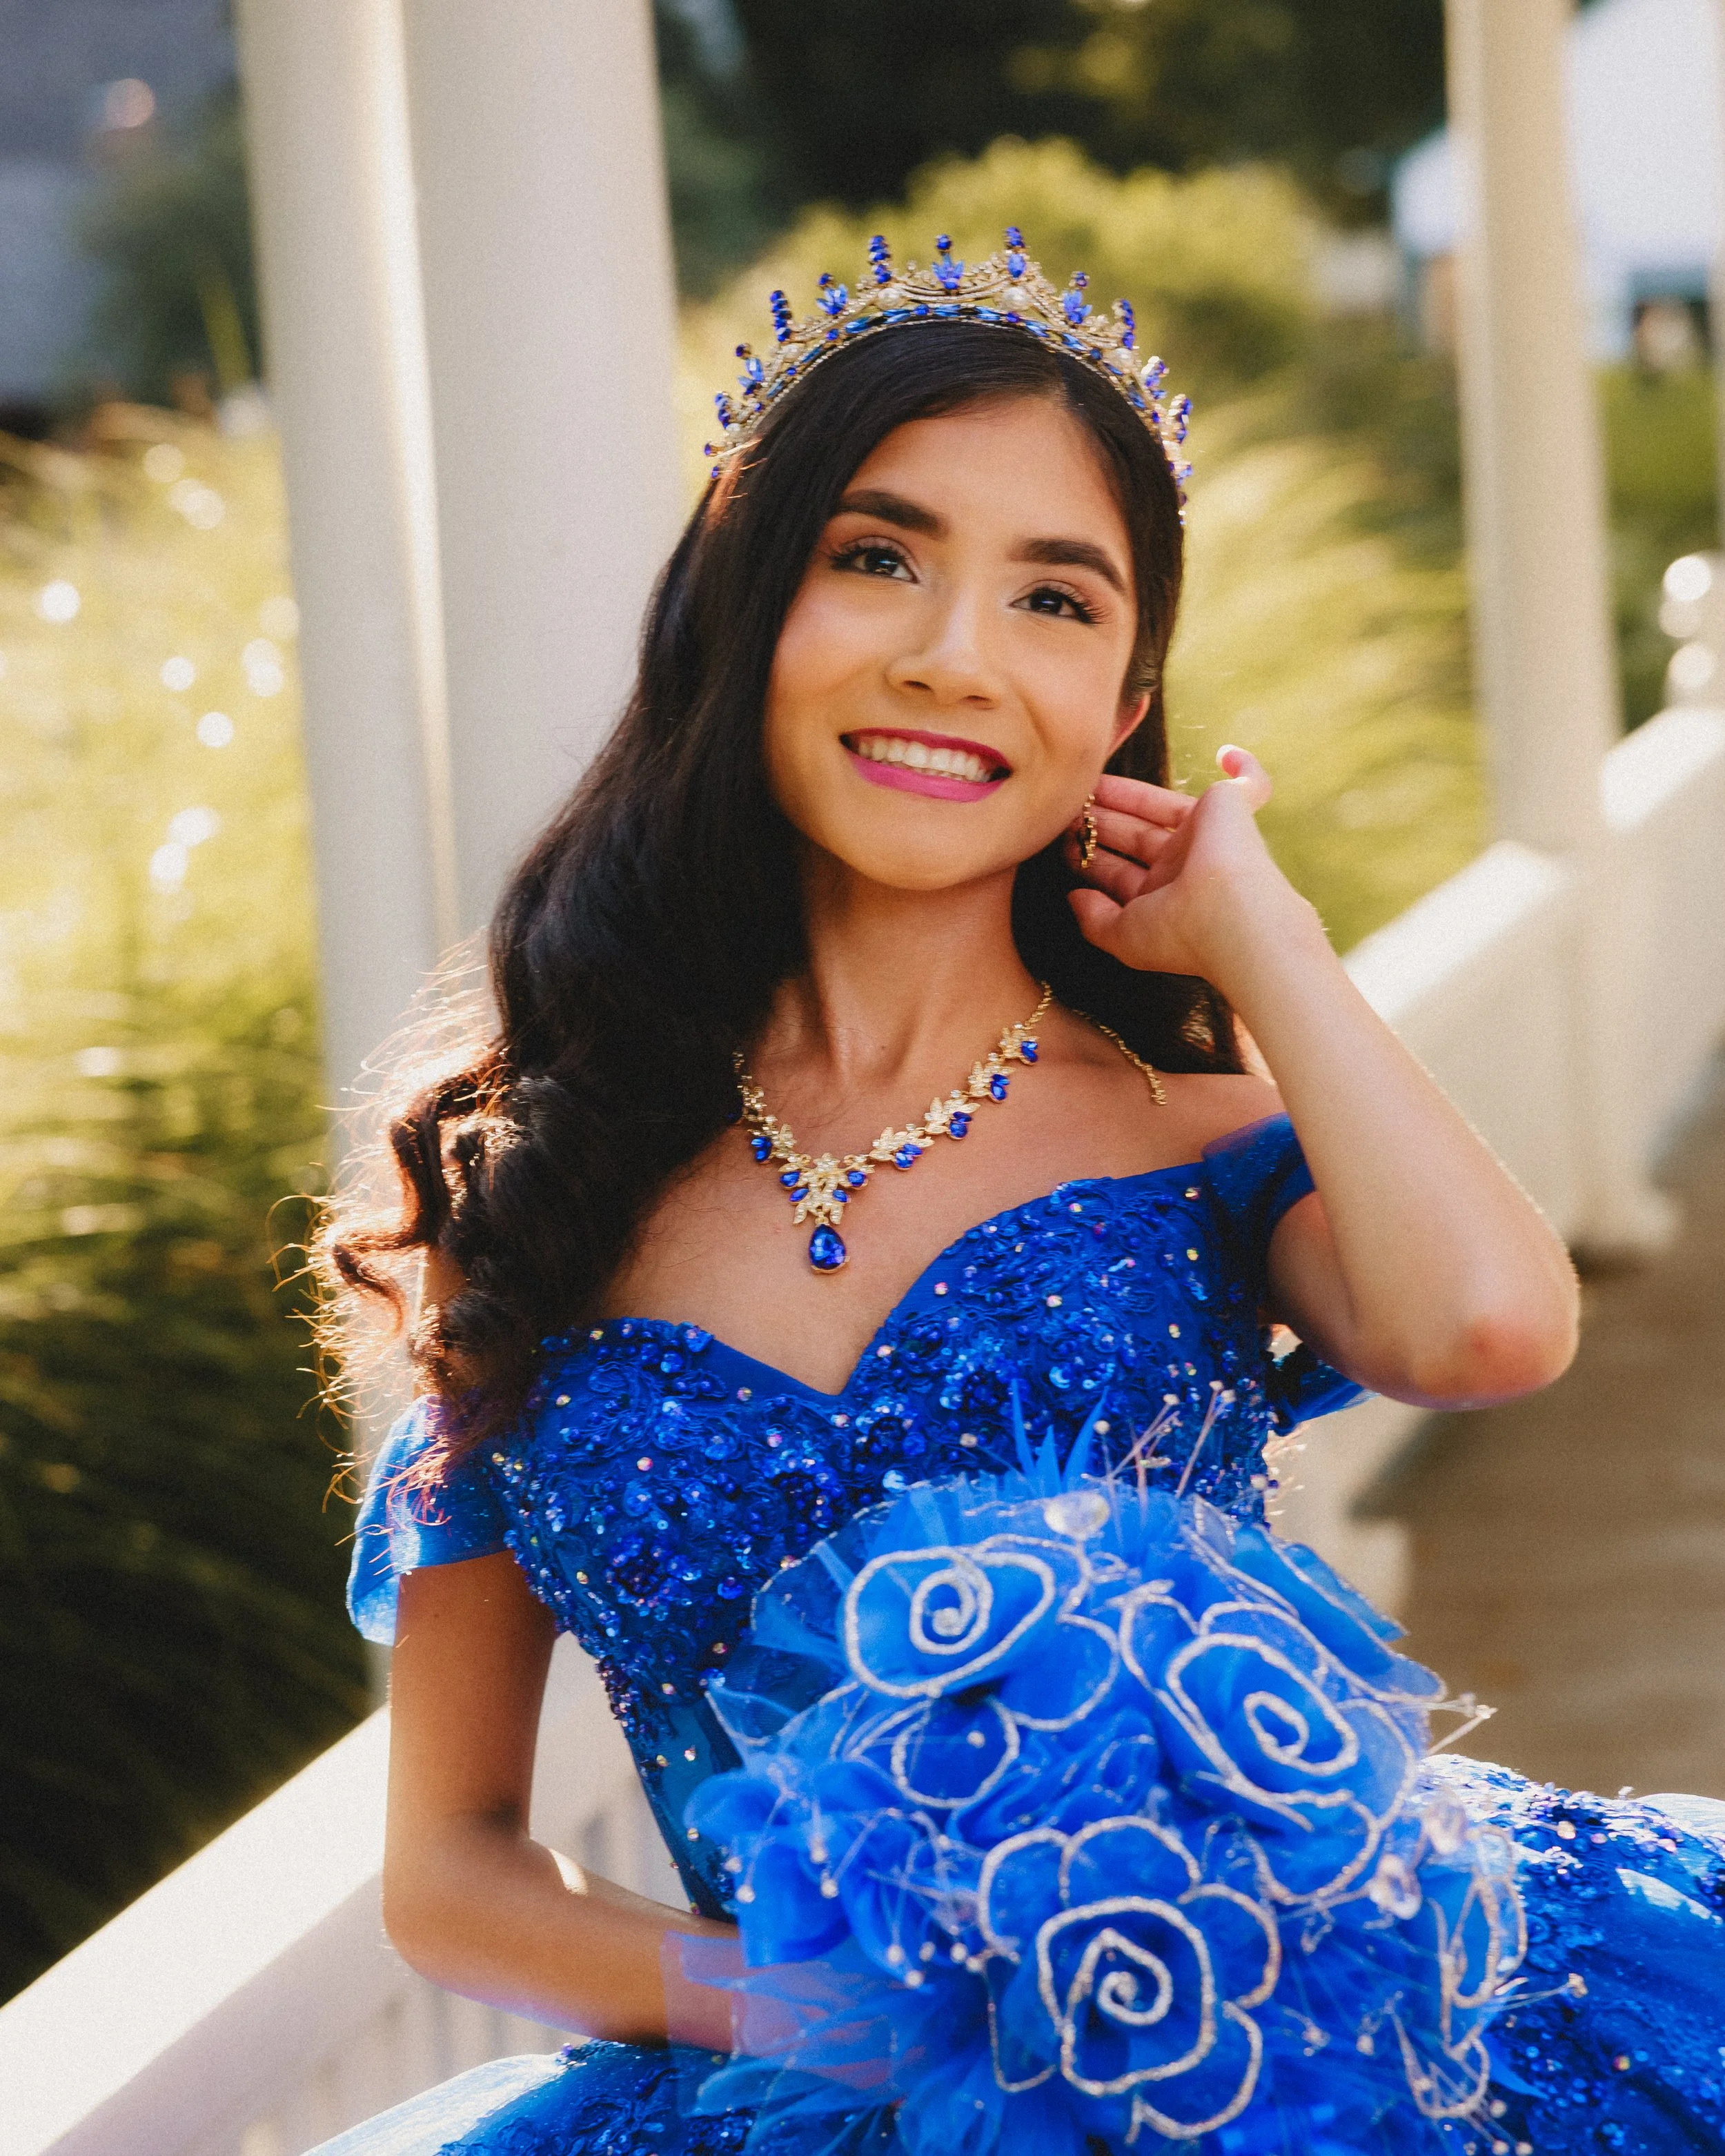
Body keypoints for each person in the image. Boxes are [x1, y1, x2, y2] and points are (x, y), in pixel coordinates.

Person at [315, 235, 1725, 2156]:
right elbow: (453, 1867)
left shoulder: (1195, 1131)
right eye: (875, 556)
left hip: (1282, 2073)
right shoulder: (534, 1188)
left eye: (1053, 598)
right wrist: (816, 2014)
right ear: (744, 601)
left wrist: (1271, 940)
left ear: (1122, 688)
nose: (951, 654)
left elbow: (1487, 1326)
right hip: (805, 2089)